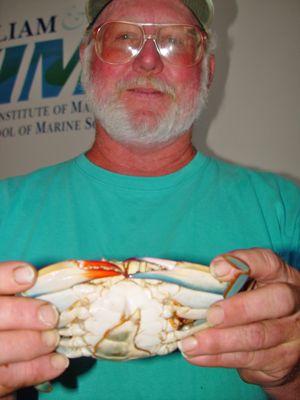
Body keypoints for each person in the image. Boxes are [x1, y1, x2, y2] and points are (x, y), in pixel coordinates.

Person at [0, 0, 299, 399]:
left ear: (207, 71)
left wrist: (289, 374)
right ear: (87, 62)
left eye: (174, 41)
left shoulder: (283, 208)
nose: (147, 61)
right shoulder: (5, 208)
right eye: (124, 37)